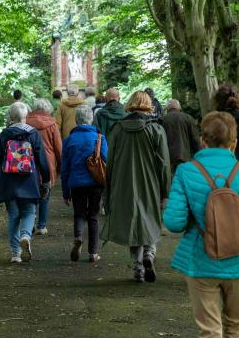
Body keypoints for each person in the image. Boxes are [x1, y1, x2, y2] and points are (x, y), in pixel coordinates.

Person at [164, 111, 239, 338]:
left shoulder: (186, 171)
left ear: (203, 140)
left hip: (201, 261)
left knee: (209, 332)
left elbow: (174, 222)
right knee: (236, 325)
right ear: (234, 142)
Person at [101, 91, 170, 283]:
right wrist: (165, 189)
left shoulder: (117, 129)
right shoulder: (156, 129)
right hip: (150, 183)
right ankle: (149, 253)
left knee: (130, 223)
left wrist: (109, 186)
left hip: (123, 183)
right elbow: (164, 163)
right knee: (151, 219)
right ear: (149, 105)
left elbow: (110, 161)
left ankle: (138, 268)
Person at [0, 102, 51, 263]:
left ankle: (15, 253)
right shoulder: (33, 134)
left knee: (13, 215)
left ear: (11, 117)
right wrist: (46, 181)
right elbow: (42, 160)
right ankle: (25, 235)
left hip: (8, 181)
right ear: (26, 116)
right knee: (30, 212)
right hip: (29, 180)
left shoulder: (5, 134)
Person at [61, 105, 108, 263]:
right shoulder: (100, 138)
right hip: (96, 182)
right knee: (93, 216)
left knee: (79, 214)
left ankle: (78, 237)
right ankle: (93, 253)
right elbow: (106, 161)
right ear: (91, 120)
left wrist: (65, 192)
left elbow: (65, 168)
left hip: (76, 183)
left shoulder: (68, 140)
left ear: (76, 120)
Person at [26, 98, 63, 236]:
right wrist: (61, 166)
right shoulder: (52, 124)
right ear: (48, 109)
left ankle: (30, 223)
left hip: (28, 160)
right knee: (45, 194)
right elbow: (58, 148)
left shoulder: (26, 122)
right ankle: (42, 226)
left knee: (30, 193)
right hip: (47, 162)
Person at [161, 99, 201, 173]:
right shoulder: (188, 118)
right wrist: (199, 158)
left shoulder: (162, 120)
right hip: (186, 158)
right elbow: (195, 140)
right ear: (179, 107)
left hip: (168, 160)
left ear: (167, 108)